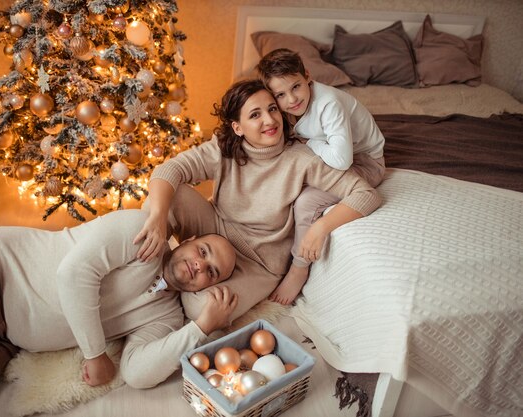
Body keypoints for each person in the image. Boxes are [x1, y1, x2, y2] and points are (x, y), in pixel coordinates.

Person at [0, 209, 237, 417]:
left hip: (0, 341)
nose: (199, 266)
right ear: (189, 240)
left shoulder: (167, 316)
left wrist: (202, 326)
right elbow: (73, 275)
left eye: (212, 272)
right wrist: (95, 354)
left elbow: (137, 372)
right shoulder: (144, 234)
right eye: (202, 251)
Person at [133, 79, 381, 320]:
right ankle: (144, 270)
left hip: (257, 261)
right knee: (165, 199)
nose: (270, 120)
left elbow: (365, 193)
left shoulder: (302, 159)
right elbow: (169, 170)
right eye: (255, 115)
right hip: (215, 229)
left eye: (272, 109)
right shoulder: (223, 148)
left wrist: (322, 226)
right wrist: (157, 218)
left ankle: (169, 283)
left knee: (203, 310)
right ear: (237, 127)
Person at [256, 48, 387, 304]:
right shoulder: (285, 108)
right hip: (331, 157)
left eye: (296, 86)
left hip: (365, 162)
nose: (292, 99)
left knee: (306, 202)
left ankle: (299, 267)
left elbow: (341, 160)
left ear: (308, 77)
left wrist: (309, 143)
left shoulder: (329, 104)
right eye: (280, 95)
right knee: (281, 184)